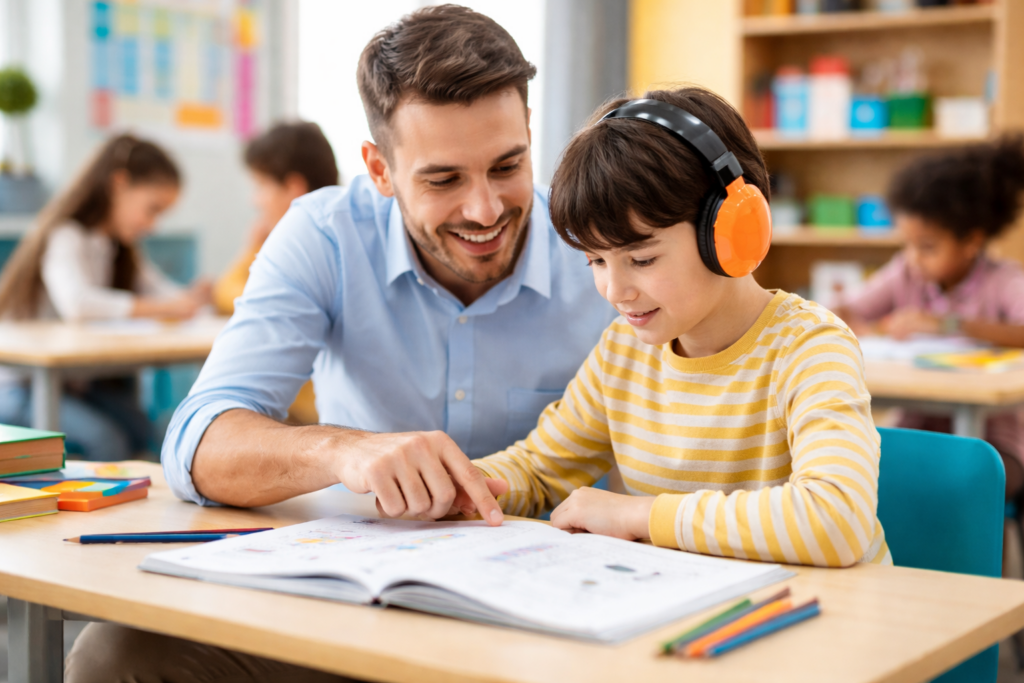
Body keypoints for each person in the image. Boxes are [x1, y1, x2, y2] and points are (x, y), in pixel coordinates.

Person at [66, 6, 614, 682]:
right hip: (358, 609)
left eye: (507, 165)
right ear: (379, 170)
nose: (485, 209)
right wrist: (341, 448)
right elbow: (197, 440)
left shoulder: (602, 247)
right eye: (443, 179)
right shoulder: (325, 236)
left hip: (554, 619)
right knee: (116, 655)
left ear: (532, 136)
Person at [469, 87, 890, 567]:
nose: (614, 289)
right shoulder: (623, 352)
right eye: (596, 261)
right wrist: (458, 485)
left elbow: (835, 521)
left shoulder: (809, 347)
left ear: (732, 231)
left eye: (642, 258)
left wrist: (640, 516)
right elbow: (539, 471)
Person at [0, 134, 210, 461]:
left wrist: (192, 298)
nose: (152, 225)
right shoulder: (65, 235)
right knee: (106, 441)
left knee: (145, 431)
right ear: (119, 184)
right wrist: (164, 307)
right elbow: (78, 305)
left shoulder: (118, 248)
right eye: (151, 209)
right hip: (23, 386)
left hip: (72, 385)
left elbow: (161, 290)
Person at [836, 135, 1024, 499]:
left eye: (928, 247)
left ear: (971, 241)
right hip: (918, 431)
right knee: (864, 469)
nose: (913, 258)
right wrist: (867, 327)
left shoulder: (1004, 281)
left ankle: (979, 556)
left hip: (996, 443)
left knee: (967, 486)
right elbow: (846, 310)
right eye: (907, 244)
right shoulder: (905, 273)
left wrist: (949, 324)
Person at [213, 121, 339, 424]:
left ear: (293, 188)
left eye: (261, 186)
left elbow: (229, 293)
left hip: (308, 417)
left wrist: (250, 249)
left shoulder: (314, 246)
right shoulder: (344, 227)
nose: (255, 200)